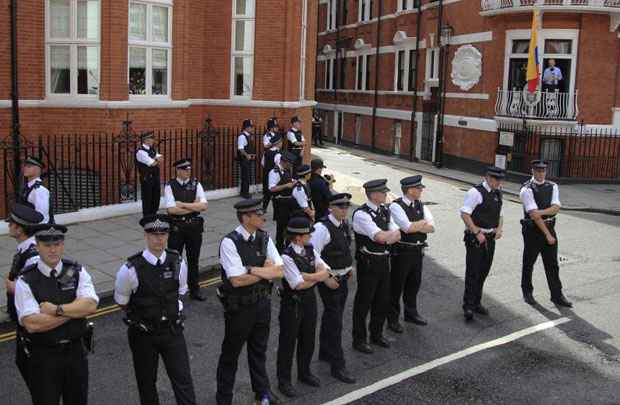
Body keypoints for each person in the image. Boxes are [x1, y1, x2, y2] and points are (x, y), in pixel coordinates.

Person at [114, 215, 197, 405]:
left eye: (163, 233)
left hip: (172, 331)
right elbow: (122, 302)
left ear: (167, 235)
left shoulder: (177, 262)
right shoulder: (130, 270)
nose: (159, 238)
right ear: (146, 235)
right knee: (146, 383)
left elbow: (180, 292)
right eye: (154, 234)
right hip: (144, 335)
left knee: (183, 380)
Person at [15, 223, 99, 405]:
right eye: (47, 245)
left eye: (57, 244)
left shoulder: (76, 271)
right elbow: (33, 324)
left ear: (63, 245)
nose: (53, 250)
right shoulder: (25, 280)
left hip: (75, 353)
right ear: (37, 246)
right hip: (44, 357)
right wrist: (74, 311)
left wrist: (57, 310)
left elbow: (91, 305)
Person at [216, 199, 284, 405]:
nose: (263, 217)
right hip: (240, 308)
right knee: (230, 355)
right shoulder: (230, 242)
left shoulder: (264, 237)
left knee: (259, 351)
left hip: (262, 304)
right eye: (258, 214)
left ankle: (262, 393)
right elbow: (236, 281)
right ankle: (224, 399)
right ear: (246, 217)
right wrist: (266, 272)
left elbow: (281, 270)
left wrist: (251, 270)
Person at [277, 216, 335, 398]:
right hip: (292, 304)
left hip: (309, 300)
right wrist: (317, 277)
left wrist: (309, 277)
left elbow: (326, 270)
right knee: (288, 342)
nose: (310, 236)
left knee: (308, 338)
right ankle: (284, 381)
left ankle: (304, 372)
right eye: (307, 233)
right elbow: (297, 284)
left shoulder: (309, 249)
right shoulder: (286, 256)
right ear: (298, 237)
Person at [310, 193, 356, 384]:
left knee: (332, 316)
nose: (345, 209)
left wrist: (348, 268)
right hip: (331, 281)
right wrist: (327, 277)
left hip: (342, 278)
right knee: (335, 321)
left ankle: (325, 353)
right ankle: (338, 366)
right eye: (340, 206)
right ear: (331, 208)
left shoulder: (343, 224)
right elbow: (311, 254)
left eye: (346, 206)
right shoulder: (322, 228)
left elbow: (344, 248)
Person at [352, 179, 401, 353]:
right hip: (369, 262)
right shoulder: (361, 214)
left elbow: (397, 233)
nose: (386, 194)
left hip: (383, 260)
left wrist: (388, 235)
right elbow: (379, 237)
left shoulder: (384, 210)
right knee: (364, 301)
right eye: (383, 192)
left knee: (382, 299)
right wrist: (389, 235)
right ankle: (359, 339)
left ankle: (377, 334)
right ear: (373, 194)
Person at [520, 160, 572, 308]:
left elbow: (556, 208)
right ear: (532, 171)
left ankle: (557, 295)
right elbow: (533, 216)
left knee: (552, 264)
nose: (541, 173)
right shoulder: (526, 189)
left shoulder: (553, 186)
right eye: (538, 171)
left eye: (543, 171)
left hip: (549, 226)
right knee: (529, 262)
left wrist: (541, 212)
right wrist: (548, 234)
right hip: (532, 231)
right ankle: (527, 292)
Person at [388, 176, 435, 334]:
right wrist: (421, 223)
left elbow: (432, 228)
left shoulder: (420, 205)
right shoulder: (396, 206)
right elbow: (407, 228)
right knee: (396, 286)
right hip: (402, 252)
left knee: (414, 283)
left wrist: (416, 226)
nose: (421, 190)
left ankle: (411, 313)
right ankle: (392, 318)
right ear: (409, 190)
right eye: (419, 188)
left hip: (418, 250)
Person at [5, 204, 43, 392]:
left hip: (31, 324)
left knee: (34, 372)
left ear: (19, 228)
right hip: (23, 322)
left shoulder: (33, 256)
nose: (9, 225)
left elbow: (34, 290)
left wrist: (13, 287)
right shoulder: (24, 250)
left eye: (11, 223)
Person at [460, 166, 505, 321]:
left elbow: (500, 215)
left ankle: (477, 302)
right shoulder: (475, 192)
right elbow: (465, 214)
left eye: (500, 180)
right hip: (475, 238)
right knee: (473, 272)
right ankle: (468, 306)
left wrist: (499, 228)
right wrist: (476, 232)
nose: (499, 183)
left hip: (490, 237)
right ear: (487, 177)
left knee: (483, 271)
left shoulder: (498, 193)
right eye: (496, 180)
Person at [164, 158, 208, 301]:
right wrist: (193, 206)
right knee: (174, 260)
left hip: (194, 228)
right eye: (184, 169)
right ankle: (172, 292)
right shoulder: (170, 186)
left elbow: (204, 206)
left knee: (193, 260)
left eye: (189, 169)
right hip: (177, 228)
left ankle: (194, 290)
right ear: (177, 170)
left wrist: (182, 205)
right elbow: (171, 210)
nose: (187, 172)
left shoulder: (196, 184)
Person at [269, 151, 297, 252]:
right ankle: (279, 247)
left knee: (289, 225)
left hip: (288, 202)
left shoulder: (286, 171)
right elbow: (272, 189)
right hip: (280, 203)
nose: (291, 166)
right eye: (290, 164)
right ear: (285, 162)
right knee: (281, 227)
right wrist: (286, 185)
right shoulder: (274, 172)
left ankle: (288, 245)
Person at [136, 131, 163, 217]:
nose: (153, 140)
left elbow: (161, 158)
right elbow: (152, 163)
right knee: (147, 198)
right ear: (145, 140)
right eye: (151, 139)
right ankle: (147, 216)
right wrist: (155, 159)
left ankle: (153, 214)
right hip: (147, 178)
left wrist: (155, 159)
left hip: (155, 177)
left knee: (156, 197)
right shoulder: (140, 152)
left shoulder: (152, 149)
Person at [21, 156, 52, 223]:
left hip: (37, 230)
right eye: (25, 166)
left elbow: (42, 217)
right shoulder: (29, 187)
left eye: (29, 166)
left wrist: (37, 232)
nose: (25, 168)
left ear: (38, 169)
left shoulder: (39, 190)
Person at [262, 121, 283, 210]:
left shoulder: (267, 153)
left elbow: (263, 163)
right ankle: (276, 212)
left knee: (267, 192)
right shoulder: (278, 154)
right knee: (275, 193)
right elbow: (279, 166)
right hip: (274, 174)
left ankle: (263, 208)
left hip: (267, 172)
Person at [238, 119, 257, 199]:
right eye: (250, 127)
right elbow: (241, 148)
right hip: (244, 159)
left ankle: (244, 192)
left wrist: (253, 154)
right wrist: (247, 155)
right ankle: (245, 193)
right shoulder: (242, 136)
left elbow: (249, 147)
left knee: (247, 176)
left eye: (252, 127)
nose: (252, 128)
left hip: (249, 159)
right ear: (245, 127)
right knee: (245, 176)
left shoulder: (249, 136)